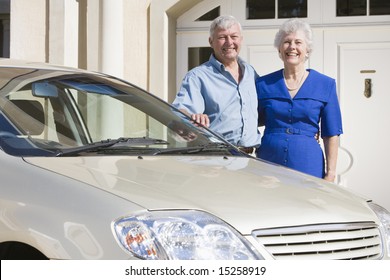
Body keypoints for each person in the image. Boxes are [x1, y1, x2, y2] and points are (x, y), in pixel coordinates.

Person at [256, 18, 343, 182]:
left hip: (308, 163)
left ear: (307, 49)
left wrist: (330, 173)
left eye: (298, 42)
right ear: (279, 49)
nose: (292, 47)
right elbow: (250, 120)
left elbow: (331, 133)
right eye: (287, 42)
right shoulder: (263, 84)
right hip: (268, 161)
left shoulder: (325, 85)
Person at [172, 15, 261, 154]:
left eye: (234, 36)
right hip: (216, 156)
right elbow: (179, 112)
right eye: (222, 37)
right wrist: (192, 117)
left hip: (250, 157)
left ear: (241, 40)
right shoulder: (198, 76)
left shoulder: (250, 73)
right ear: (211, 41)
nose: (229, 42)